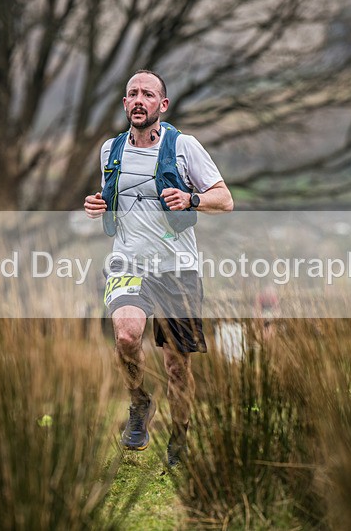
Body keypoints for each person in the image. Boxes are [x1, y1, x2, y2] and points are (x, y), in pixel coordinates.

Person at [84, 70, 233, 467]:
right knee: (127, 336)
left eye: (147, 94)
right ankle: (139, 402)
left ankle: (180, 435)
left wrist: (192, 199)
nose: (138, 100)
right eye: (131, 93)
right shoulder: (110, 150)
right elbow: (116, 199)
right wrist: (99, 204)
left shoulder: (184, 147)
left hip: (177, 269)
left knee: (177, 366)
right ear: (124, 104)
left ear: (162, 105)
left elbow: (225, 199)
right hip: (128, 262)